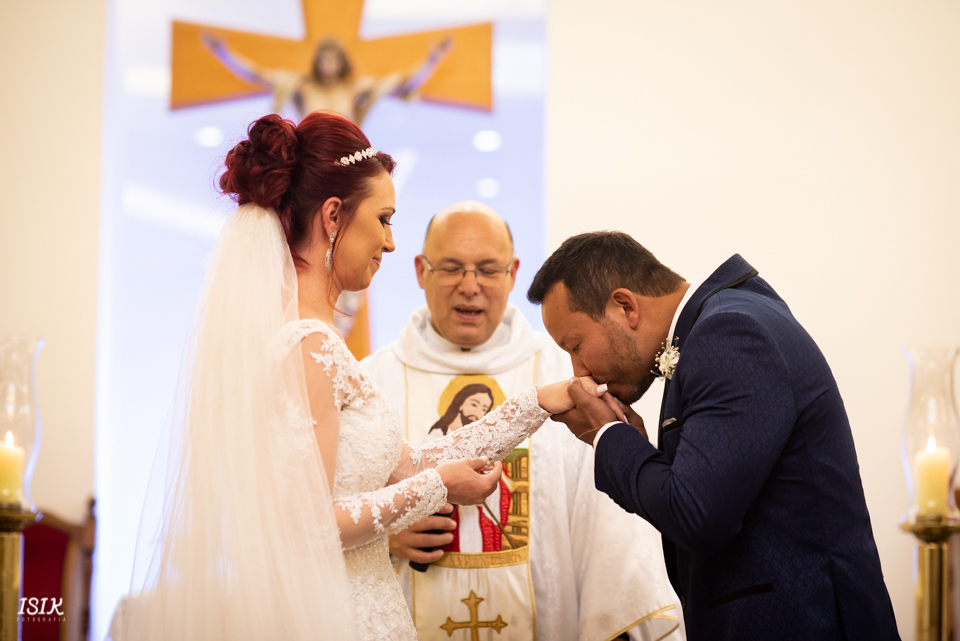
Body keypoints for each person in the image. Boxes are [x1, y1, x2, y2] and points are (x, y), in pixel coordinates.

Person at [109, 112, 591, 641]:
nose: (389, 242)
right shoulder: (306, 345)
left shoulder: (317, 339)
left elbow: (410, 462)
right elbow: (308, 527)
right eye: (383, 218)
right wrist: (438, 488)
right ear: (334, 216)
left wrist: (543, 401)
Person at [526, 231, 901, 641]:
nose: (578, 371)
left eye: (576, 345)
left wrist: (608, 436)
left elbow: (697, 517)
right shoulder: (719, 325)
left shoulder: (731, 332)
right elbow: (708, 493)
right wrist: (633, 444)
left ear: (625, 306)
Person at [363, 203, 684, 641]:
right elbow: (317, 519)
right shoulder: (373, 380)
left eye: (488, 269)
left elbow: (606, 514)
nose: (470, 286)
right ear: (421, 271)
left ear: (513, 272)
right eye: (452, 268)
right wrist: (381, 540)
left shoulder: (567, 373)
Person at [202, 34, 452, 125]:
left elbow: (404, 82)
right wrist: (223, 54)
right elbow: (257, 74)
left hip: (348, 156)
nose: (329, 65)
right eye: (325, 59)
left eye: (334, 59)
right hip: (311, 156)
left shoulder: (355, 88)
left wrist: (432, 61)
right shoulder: (302, 86)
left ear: (342, 61)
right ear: (317, 62)